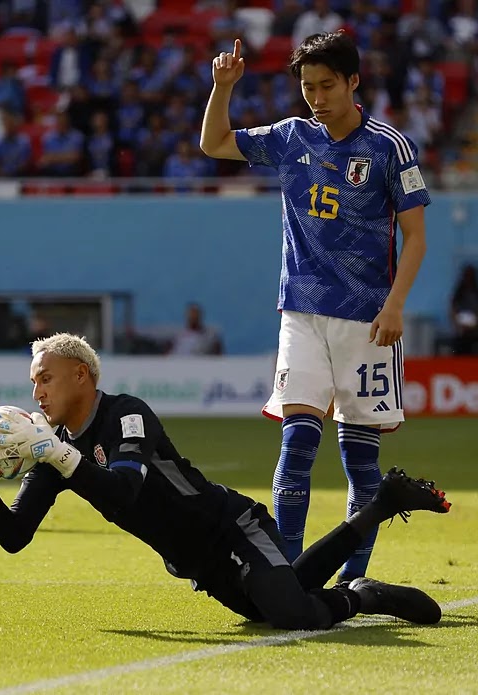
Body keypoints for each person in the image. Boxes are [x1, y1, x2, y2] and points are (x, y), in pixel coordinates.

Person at [0, 333, 451, 631]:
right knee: (285, 598)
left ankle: (367, 594)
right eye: (32, 383)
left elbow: (124, 490)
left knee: (294, 613)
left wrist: (60, 455)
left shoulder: (126, 414)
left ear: (81, 375)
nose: (36, 392)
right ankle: (384, 502)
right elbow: (15, 536)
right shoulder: (54, 450)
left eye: (45, 378)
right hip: (199, 561)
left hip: (230, 526)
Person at [199, 32, 430, 584]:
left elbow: (416, 236)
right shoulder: (289, 136)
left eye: (327, 85)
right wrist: (221, 88)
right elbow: (214, 144)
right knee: (297, 441)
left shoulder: (389, 147)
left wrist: (396, 305)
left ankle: (354, 576)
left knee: (360, 460)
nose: (317, 97)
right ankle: (288, 572)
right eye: (308, 87)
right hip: (300, 313)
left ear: (353, 82)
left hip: (367, 321)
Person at [449, 263, 478, 356]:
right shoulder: (457, 296)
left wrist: (476, 324)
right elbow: (452, 312)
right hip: (460, 336)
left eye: (471, 276)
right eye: (466, 276)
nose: (468, 279)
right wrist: (459, 324)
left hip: (476, 336)